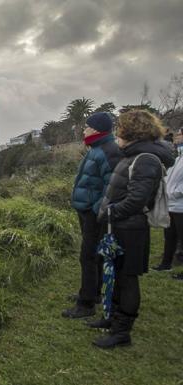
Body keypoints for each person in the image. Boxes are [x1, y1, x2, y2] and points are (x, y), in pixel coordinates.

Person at [93, 109, 175, 349]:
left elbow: (137, 199)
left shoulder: (145, 159)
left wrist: (111, 212)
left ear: (131, 131)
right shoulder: (134, 155)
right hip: (120, 226)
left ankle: (122, 332)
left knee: (127, 279)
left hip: (130, 229)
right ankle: (113, 318)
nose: (117, 132)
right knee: (116, 276)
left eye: (120, 128)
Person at [63, 112, 122, 319]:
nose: (84, 130)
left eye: (87, 127)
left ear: (97, 129)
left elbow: (111, 185)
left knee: (88, 256)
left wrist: (97, 209)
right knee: (93, 255)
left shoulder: (107, 150)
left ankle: (86, 304)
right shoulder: (97, 148)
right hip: (87, 209)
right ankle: (92, 292)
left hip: (93, 213)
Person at [152, 153, 183, 271]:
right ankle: (166, 264)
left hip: (180, 206)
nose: (179, 135)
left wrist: (174, 193)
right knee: (169, 237)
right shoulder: (178, 158)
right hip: (171, 206)